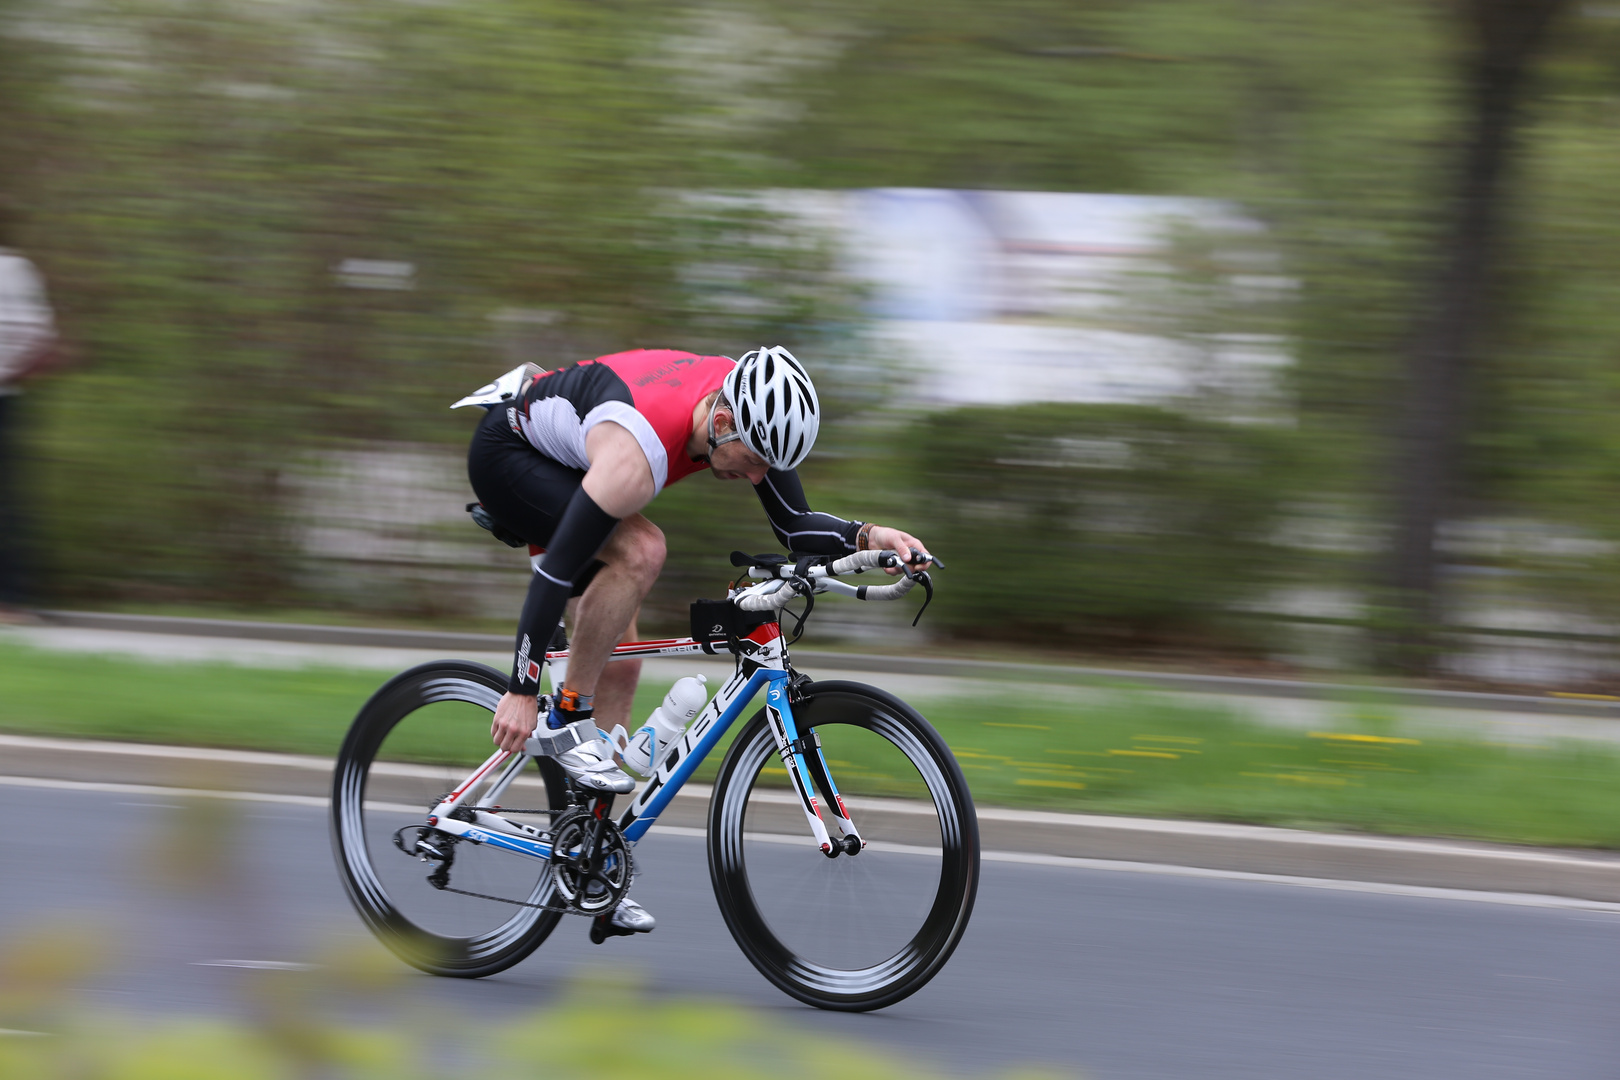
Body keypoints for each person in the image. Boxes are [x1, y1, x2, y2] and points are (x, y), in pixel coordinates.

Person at [464, 345, 934, 935]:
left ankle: (590, 857)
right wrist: (521, 688)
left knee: (622, 665)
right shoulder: (638, 449)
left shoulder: (748, 407)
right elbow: (558, 571)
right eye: (755, 460)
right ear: (721, 421)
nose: (758, 476)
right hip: (512, 457)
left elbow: (793, 524)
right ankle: (562, 719)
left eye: (770, 464)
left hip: (574, 457)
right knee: (641, 550)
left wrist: (871, 535)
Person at [0, 204, 63, 624]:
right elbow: (44, 340)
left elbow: (43, 342)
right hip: (8, 394)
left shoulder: (13, 269)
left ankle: (10, 603)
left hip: (5, 396)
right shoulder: (17, 269)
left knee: (7, 506)